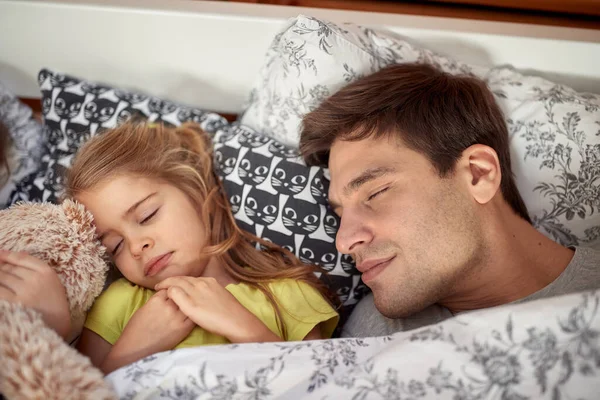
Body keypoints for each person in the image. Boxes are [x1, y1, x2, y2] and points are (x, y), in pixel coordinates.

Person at [299, 62, 600, 337]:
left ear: (478, 174)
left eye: (375, 193)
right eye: (340, 213)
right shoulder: (379, 331)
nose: (344, 242)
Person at [57, 121, 339, 374]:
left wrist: (243, 327)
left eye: (146, 216)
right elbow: (80, 391)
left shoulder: (287, 293)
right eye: (115, 246)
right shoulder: (119, 303)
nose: (136, 247)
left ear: (197, 191)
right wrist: (133, 349)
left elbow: (324, 385)